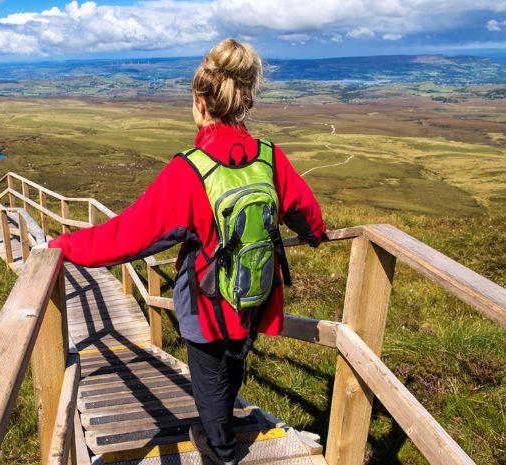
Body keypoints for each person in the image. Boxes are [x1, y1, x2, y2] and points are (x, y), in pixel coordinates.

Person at [47, 38, 326, 465]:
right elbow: (307, 215)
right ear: (245, 100)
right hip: (254, 293)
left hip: (208, 302)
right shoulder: (269, 157)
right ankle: (222, 431)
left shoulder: (190, 170)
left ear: (200, 101)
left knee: (209, 376)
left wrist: (64, 246)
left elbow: (127, 236)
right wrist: (317, 235)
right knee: (233, 363)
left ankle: (221, 450)